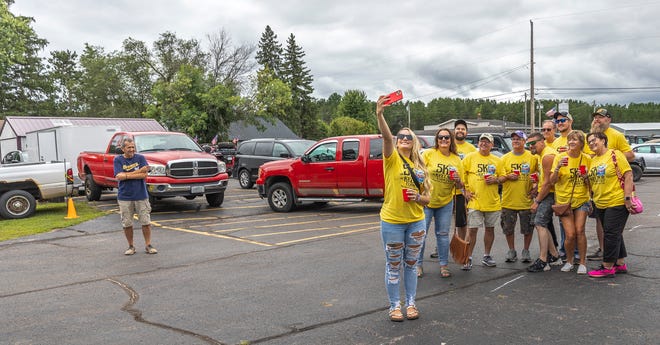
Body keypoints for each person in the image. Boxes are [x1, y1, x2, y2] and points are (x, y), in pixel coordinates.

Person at [376, 95, 431, 322]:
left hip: (416, 221)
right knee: (394, 264)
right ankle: (394, 306)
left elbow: (428, 198)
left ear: (414, 141)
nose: (404, 138)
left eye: (409, 136)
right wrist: (380, 114)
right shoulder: (391, 159)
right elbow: (387, 138)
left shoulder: (420, 165)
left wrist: (418, 197)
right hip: (392, 221)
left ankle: (411, 303)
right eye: (401, 137)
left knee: (410, 265)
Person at [584, 108, 635, 262]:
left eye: (601, 117)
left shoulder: (616, 136)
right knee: (604, 225)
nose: (597, 120)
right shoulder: (591, 137)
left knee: (612, 229)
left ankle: (608, 260)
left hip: (614, 191)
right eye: (595, 118)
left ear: (608, 119)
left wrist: (607, 153)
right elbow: (588, 156)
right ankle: (607, 252)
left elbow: (631, 156)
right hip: (598, 189)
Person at [419, 128, 463, 278]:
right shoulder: (428, 154)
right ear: (436, 140)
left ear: (451, 140)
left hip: (445, 202)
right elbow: (418, 173)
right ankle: (417, 265)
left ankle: (444, 265)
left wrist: (458, 180)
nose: (443, 140)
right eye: (440, 138)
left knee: (443, 235)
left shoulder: (456, 159)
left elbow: (460, 186)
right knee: (421, 235)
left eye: (446, 138)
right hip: (426, 201)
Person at [430, 119, 475, 260]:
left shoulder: (471, 149)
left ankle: (459, 248)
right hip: (444, 193)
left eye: (463, 129)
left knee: (461, 223)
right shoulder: (442, 148)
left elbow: (470, 172)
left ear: (466, 132)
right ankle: (440, 247)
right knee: (441, 223)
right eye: (458, 129)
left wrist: (466, 190)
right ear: (454, 131)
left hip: (461, 192)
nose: (460, 131)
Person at [549, 130, 591, 274]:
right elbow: (552, 181)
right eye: (570, 140)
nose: (572, 142)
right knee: (570, 234)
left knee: (580, 231)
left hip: (581, 199)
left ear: (581, 143)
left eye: (575, 140)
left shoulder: (587, 159)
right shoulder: (560, 157)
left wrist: (585, 176)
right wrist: (557, 167)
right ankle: (569, 260)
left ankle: (583, 263)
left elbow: (591, 184)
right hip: (564, 202)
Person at [462, 133, 504, 269]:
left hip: (492, 202)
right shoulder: (469, 158)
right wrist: (465, 191)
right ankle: (467, 257)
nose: (484, 144)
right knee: (472, 230)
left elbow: (503, 177)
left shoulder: (497, 160)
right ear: (478, 143)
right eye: (482, 141)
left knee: (490, 229)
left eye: (487, 142)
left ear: (492, 145)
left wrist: (496, 180)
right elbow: (462, 177)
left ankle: (487, 255)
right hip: (475, 201)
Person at [525, 132, 563, 272]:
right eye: (528, 144)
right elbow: (544, 181)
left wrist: (538, 201)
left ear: (542, 142)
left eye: (533, 143)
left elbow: (548, 183)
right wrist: (536, 189)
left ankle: (543, 260)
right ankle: (554, 255)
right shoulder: (541, 155)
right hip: (544, 192)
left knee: (540, 223)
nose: (530, 146)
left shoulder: (547, 156)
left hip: (550, 194)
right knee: (540, 223)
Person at [114, 138, 157, 255]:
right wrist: (136, 172)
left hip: (141, 195)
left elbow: (144, 175)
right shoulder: (118, 160)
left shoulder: (140, 158)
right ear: (123, 149)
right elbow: (119, 176)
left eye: (133, 147)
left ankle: (148, 245)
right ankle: (131, 246)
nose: (132, 149)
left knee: (145, 221)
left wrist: (126, 175)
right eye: (129, 147)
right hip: (124, 197)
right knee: (127, 223)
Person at [500, 130, 537, 263]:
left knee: (528, 228)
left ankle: (526, 250)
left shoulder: (532, 157)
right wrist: (507, 176)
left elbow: (539, 174)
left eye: (519, 139)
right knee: (508, 228)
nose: (516, 141)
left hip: (526, 200)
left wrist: (536, 188)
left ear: (524, 141)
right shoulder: (504, 158)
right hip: (508, 200)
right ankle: (512, 250)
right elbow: (499, 178)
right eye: (514, 139)